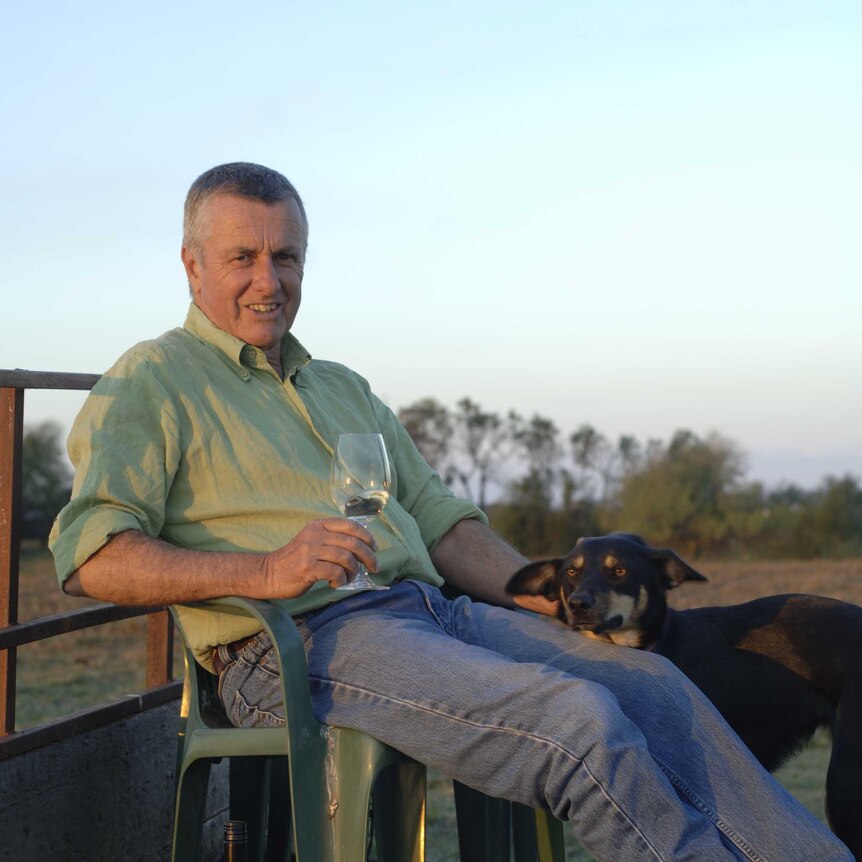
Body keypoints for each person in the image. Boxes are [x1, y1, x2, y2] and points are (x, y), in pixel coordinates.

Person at [50, 162, 851, 862]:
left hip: (435, 614)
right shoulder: (157, 378)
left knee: (652, 684)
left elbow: (440, 520)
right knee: (574, 720)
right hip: (299, 642)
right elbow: (91, 556)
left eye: (286, 256)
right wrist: (266, 568)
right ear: (192, 266)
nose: (269, 278)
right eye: (243, 257)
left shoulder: (341, 386)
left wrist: (519, 586)